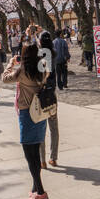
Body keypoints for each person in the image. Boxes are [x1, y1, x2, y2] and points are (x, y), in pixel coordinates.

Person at [3, 41, 49, 199]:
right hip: (40, 112)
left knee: (29, 154)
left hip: (26, 112)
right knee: (34, 151)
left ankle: (41, 192)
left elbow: (5, 78)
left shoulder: (22, 70)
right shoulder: (42, 66)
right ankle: (35, 188)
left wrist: (10, 63)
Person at [37, 31, 60, 168]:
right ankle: (53, 158)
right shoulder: (53, 52)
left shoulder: (42, 54)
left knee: (41, 128)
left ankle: (42, 160)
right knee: (54, 127)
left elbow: (42, 74)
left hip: (42, 94)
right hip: (52, 94)